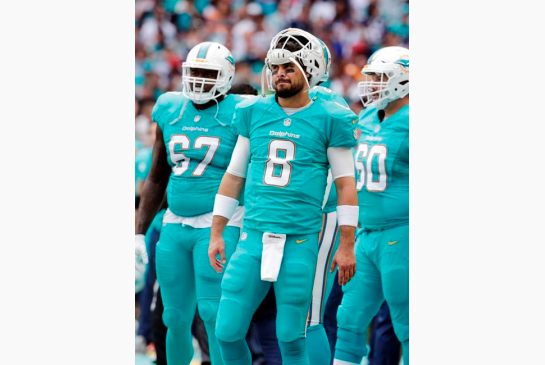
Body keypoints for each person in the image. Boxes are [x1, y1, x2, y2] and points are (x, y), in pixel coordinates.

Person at [208, 28, 360, 365]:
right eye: (275, 68)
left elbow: (346, 185)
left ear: (309, 70)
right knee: (226, 330)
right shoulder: (255, 112)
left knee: (292, 335)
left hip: (300, 239)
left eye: (288, 68)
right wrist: (217, 231)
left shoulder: (330, 117)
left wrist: (347, 244)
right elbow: (234, 176)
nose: (279, 74)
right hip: (253, 236)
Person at [135, 41, 247, 365]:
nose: (198, 80)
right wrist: (139, 231)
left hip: (218, 224)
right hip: (174, 224)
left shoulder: (242, 110)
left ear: (226, 76)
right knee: (174, 317)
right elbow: (157, 175)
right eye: (194, 72)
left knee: (214, 314)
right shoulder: (170, 107)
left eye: (207, 73)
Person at [332, 46, 410, 365]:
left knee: (407, 323)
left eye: (380, 77)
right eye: (372, 77)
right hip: (365, 237)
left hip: (402, 234)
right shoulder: (366, 115)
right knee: (348, 319)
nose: (373, 84)